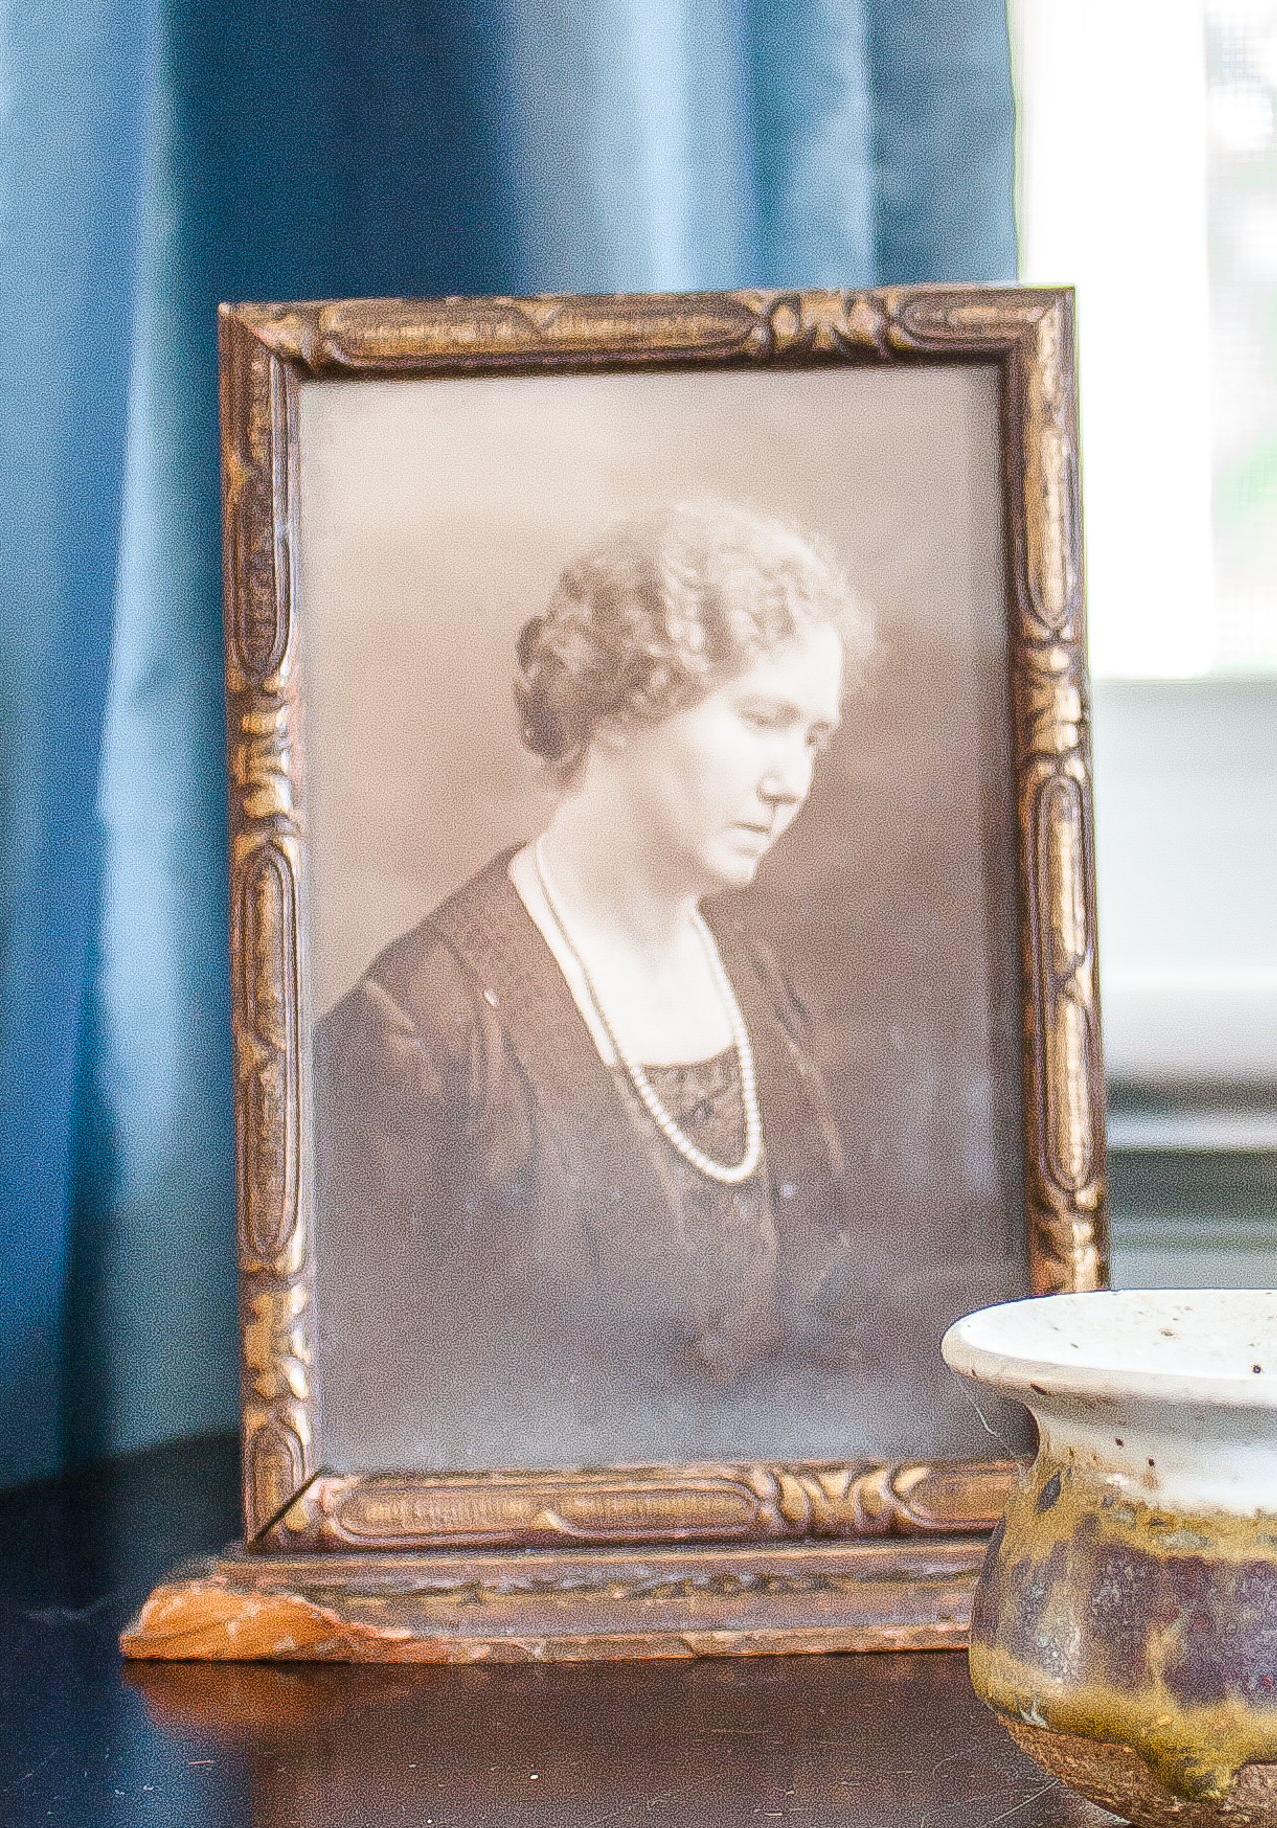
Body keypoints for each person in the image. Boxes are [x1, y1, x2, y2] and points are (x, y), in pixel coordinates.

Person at [316, 500, 875, 1466]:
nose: (791, 780)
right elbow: (370, 1423)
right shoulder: (417, 1027)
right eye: (761, 720)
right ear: (625, 707)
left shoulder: (757, 991)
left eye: (812, 738)